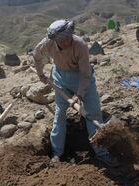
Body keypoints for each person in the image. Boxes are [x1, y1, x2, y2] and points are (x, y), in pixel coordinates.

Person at [32, 19, 117, 166]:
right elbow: (36, 55)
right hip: (60, 80)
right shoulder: (47, 43)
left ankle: (101, 153)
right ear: (55, 40)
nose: (66, 42)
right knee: (59, 116)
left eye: (68, 38)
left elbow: (85, 74)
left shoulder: (80, 45)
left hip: (83, 79)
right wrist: (40, 73)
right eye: (62, 40)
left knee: (93, 114)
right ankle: (57, 153)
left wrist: (79, 94)